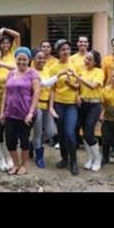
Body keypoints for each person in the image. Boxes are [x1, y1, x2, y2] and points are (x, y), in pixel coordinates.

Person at [0, 47, 41, 175]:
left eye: (25, 59)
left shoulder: (32, 73)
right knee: (10, 139)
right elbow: (5, 93)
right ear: (15, 59)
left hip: (25, 113)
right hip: (10, 113)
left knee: (24, 139)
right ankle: (15, 164)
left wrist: (30, 113)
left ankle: (24, 165)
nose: (22, 62)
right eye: (19, 59)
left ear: (29, 60)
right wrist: (2, 112)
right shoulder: (11, 73)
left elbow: (37, 93)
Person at [49, 39, 82, 175]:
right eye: (63, 50)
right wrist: (51, 107)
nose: (66, 52)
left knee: (70, 133)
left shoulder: (75, 65)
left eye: (68, 49)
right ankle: (64, 159)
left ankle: (73, 162)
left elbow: (79, 84)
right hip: (58, 103)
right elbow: (51, 89)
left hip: (72, 104)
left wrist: (77, 92)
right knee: (61, 133)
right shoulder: (53, 68)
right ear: (58, 52)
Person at [69, 50, 104, 171]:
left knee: (89, 133)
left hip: (94, 105)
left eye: (89, 59)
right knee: (83, 133)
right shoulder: (82, 71)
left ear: (95, 62)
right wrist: (77, 94)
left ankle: (98, 159)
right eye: (86, 59)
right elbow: (79, 87)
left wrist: (77, 76)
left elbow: (93, 85)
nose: (86, 61)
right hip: (82, 104)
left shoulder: (99, 72)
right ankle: (90, 159)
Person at [31, 50, 60, 168]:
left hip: (47, 106)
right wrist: (59, 74)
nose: (42, 60)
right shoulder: (31, 72)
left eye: (43, 58)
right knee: (37, 133)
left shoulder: (48, 70)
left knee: (51, 132)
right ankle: (39, 157)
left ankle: (32, 144)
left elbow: (52, 90)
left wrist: (51, 106)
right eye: (39, 58)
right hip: (37, 106)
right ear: (33, 59)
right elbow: (45, 84)